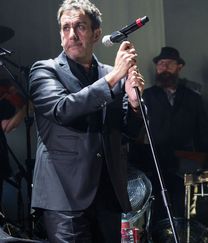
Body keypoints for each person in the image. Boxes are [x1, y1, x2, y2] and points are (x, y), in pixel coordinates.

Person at [29, 0, 145, 242]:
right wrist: (115, 77)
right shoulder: (45, 70)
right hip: (64, 196)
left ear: (96, 33)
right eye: (65, 28)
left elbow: (131, 132)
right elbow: (63, 109)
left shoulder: (111, 74)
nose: (72, 34)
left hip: (107, 193)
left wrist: (134, 103)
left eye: (80, 27)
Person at [129, 47, 208, 225]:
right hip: (155, 166)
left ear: (179, 67)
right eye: (160, 64)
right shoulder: (147, 96)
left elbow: (204, 131)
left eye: (169, 64)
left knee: (183, 213)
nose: (164, 68)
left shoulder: (192, 98)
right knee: (157, 215)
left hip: (184, 166)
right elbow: (136, 132)